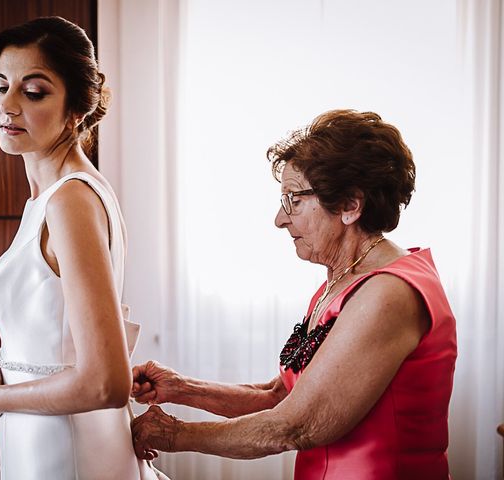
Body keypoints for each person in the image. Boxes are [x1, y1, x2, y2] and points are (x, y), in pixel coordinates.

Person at [130, 110, 457, 479]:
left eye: (293, 200)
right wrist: (181, 388)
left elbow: (295, 424)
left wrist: (175, 434)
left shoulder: (389, 292)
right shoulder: (341, 280)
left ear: (350, 205)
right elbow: (280, 397)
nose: (280, 218)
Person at [0, 16, 162, 480]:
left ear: (76, 109)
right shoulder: (54, 198)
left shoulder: (71, 201)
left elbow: (105, 382)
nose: (9, 106)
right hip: (43, 440)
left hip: (66, 449)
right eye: (2, 87)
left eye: (34, 92)